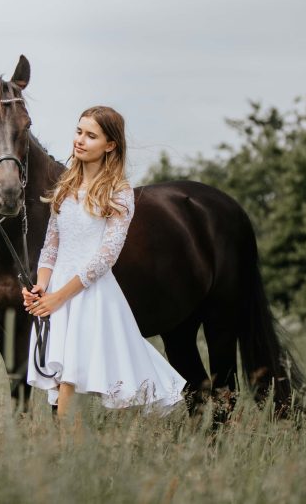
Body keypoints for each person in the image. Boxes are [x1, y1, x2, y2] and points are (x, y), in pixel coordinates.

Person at [22, 105, 186, 418]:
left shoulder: (119, 194)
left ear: (110, 145)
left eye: (91, 135)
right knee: (59, 385)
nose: (80, 140)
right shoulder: (64, 189)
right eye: (79, 131)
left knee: (72, 378)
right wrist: (41, 287)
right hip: (57, 292)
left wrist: (60, 296)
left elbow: (104, 258)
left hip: (89, 296)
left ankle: (70, 454)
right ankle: (74, 455)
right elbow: (50, 248)